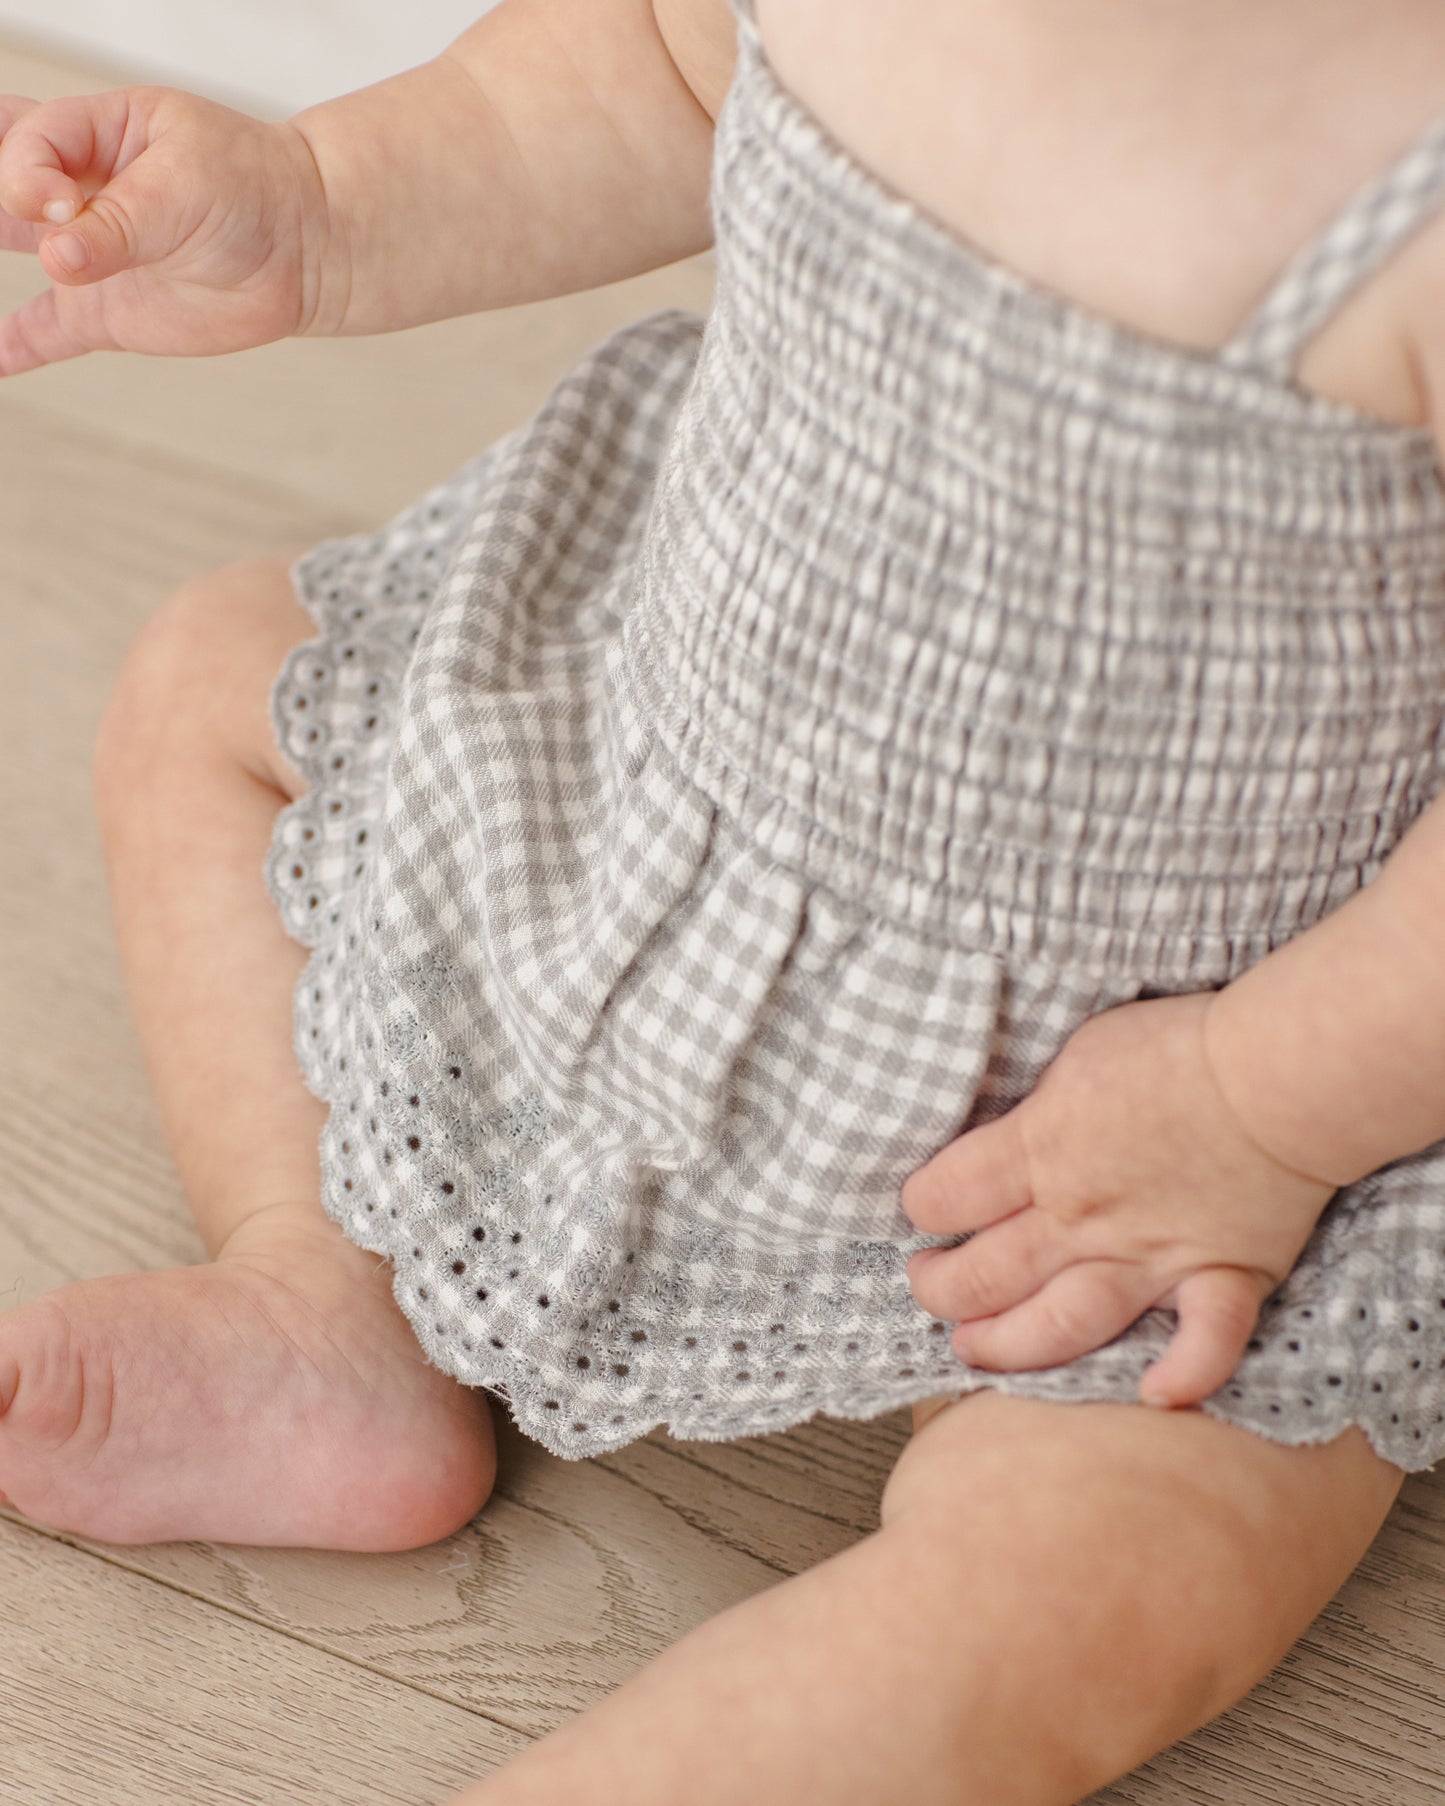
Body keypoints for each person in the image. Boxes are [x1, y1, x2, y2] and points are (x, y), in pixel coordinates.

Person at [2, 0, 1440, 1798]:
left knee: (1121, 1570)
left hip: (1150, 1131)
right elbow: (650, 70)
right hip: (648, 820)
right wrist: (317, 201)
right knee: (212, 680)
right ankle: (318, 1292)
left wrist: (1255, 1099)